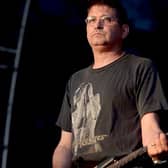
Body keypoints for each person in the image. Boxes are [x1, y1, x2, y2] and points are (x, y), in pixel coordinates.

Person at [52, 0, 168, 167]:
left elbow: (150, 123)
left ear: (124, 30)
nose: (97, 25)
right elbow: (64, 145)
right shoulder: (75, 80)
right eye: (91, 20)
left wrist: (157, 152)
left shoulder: (140, 67)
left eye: (106, 19)